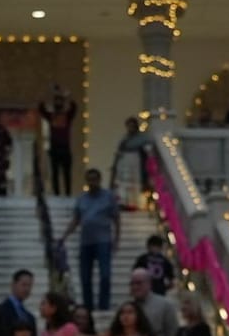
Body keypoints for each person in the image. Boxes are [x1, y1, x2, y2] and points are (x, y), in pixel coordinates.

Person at [63, 168, 120, 314]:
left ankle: (103, 305)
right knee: (85, 277)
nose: (92, 182)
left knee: (105, 275)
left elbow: (116, 218)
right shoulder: (82, 199)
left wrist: (116, 239)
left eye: (94, 179)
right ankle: (88, 306)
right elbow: (76, 219)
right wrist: (64, 236)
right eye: (89, 180)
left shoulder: (108, 197)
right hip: (86, 242)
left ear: (99, 180)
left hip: (103, 240)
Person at [42, 87, 78, 196]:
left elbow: (74, 107)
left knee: (66, 172)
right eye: (57, 101)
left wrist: (67, 96)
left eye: (60, 101)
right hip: (54, 148)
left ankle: (68, 193)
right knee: (55, 173)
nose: (58, 103)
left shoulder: (67, 116)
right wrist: (48, 94)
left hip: (65, 147)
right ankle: (56, 193)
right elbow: (41, 108)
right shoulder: (51, 116)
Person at [112, 117, 150, 208]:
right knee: (122, 183)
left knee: (133, 183)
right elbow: (119, 150)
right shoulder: (125, 138)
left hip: (135, 161)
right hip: (124, 162)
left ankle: (133, 203)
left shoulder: (142, 138)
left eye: (132, 126)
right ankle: (123, 202)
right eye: (129, 126)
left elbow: (146, 151)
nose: (130, 128)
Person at [0, 267, 38, 333]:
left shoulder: (29, 317)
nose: (27, 289)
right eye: (24, 285)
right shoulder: (1, 311)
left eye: (30, 285)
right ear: (13, 285)